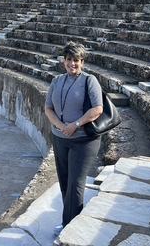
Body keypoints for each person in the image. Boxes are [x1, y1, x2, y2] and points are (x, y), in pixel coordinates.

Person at [44, 42, 103, 236]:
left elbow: (97, 109)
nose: (72, 64)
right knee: (64, 181)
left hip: (83, 140)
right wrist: (61, 127)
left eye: (76, 60)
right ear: (64, 61)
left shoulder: (89, 81)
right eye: (69, 60)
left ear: (82, 62)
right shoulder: (57, 81)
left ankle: (70, 227)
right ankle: (70, 220)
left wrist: (75, 125)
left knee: (75, 184)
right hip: (60, 138)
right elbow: (48, 108)